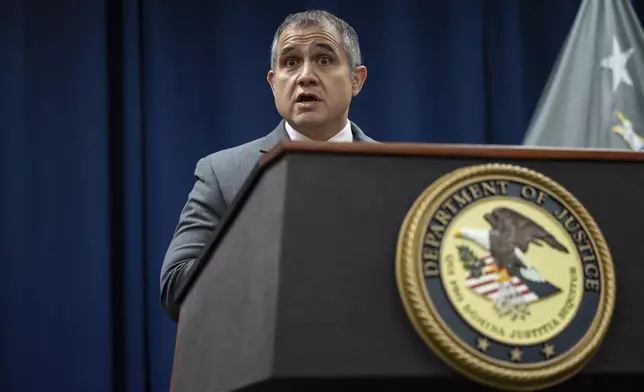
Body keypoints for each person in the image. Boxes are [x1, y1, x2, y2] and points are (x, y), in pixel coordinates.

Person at [160, 10, 377, 321]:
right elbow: (176, 290)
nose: (305, 76)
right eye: (290, 62)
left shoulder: (397, 171)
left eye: (324, 60)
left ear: (357, 79)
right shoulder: (223, 175)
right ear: (274, 83)